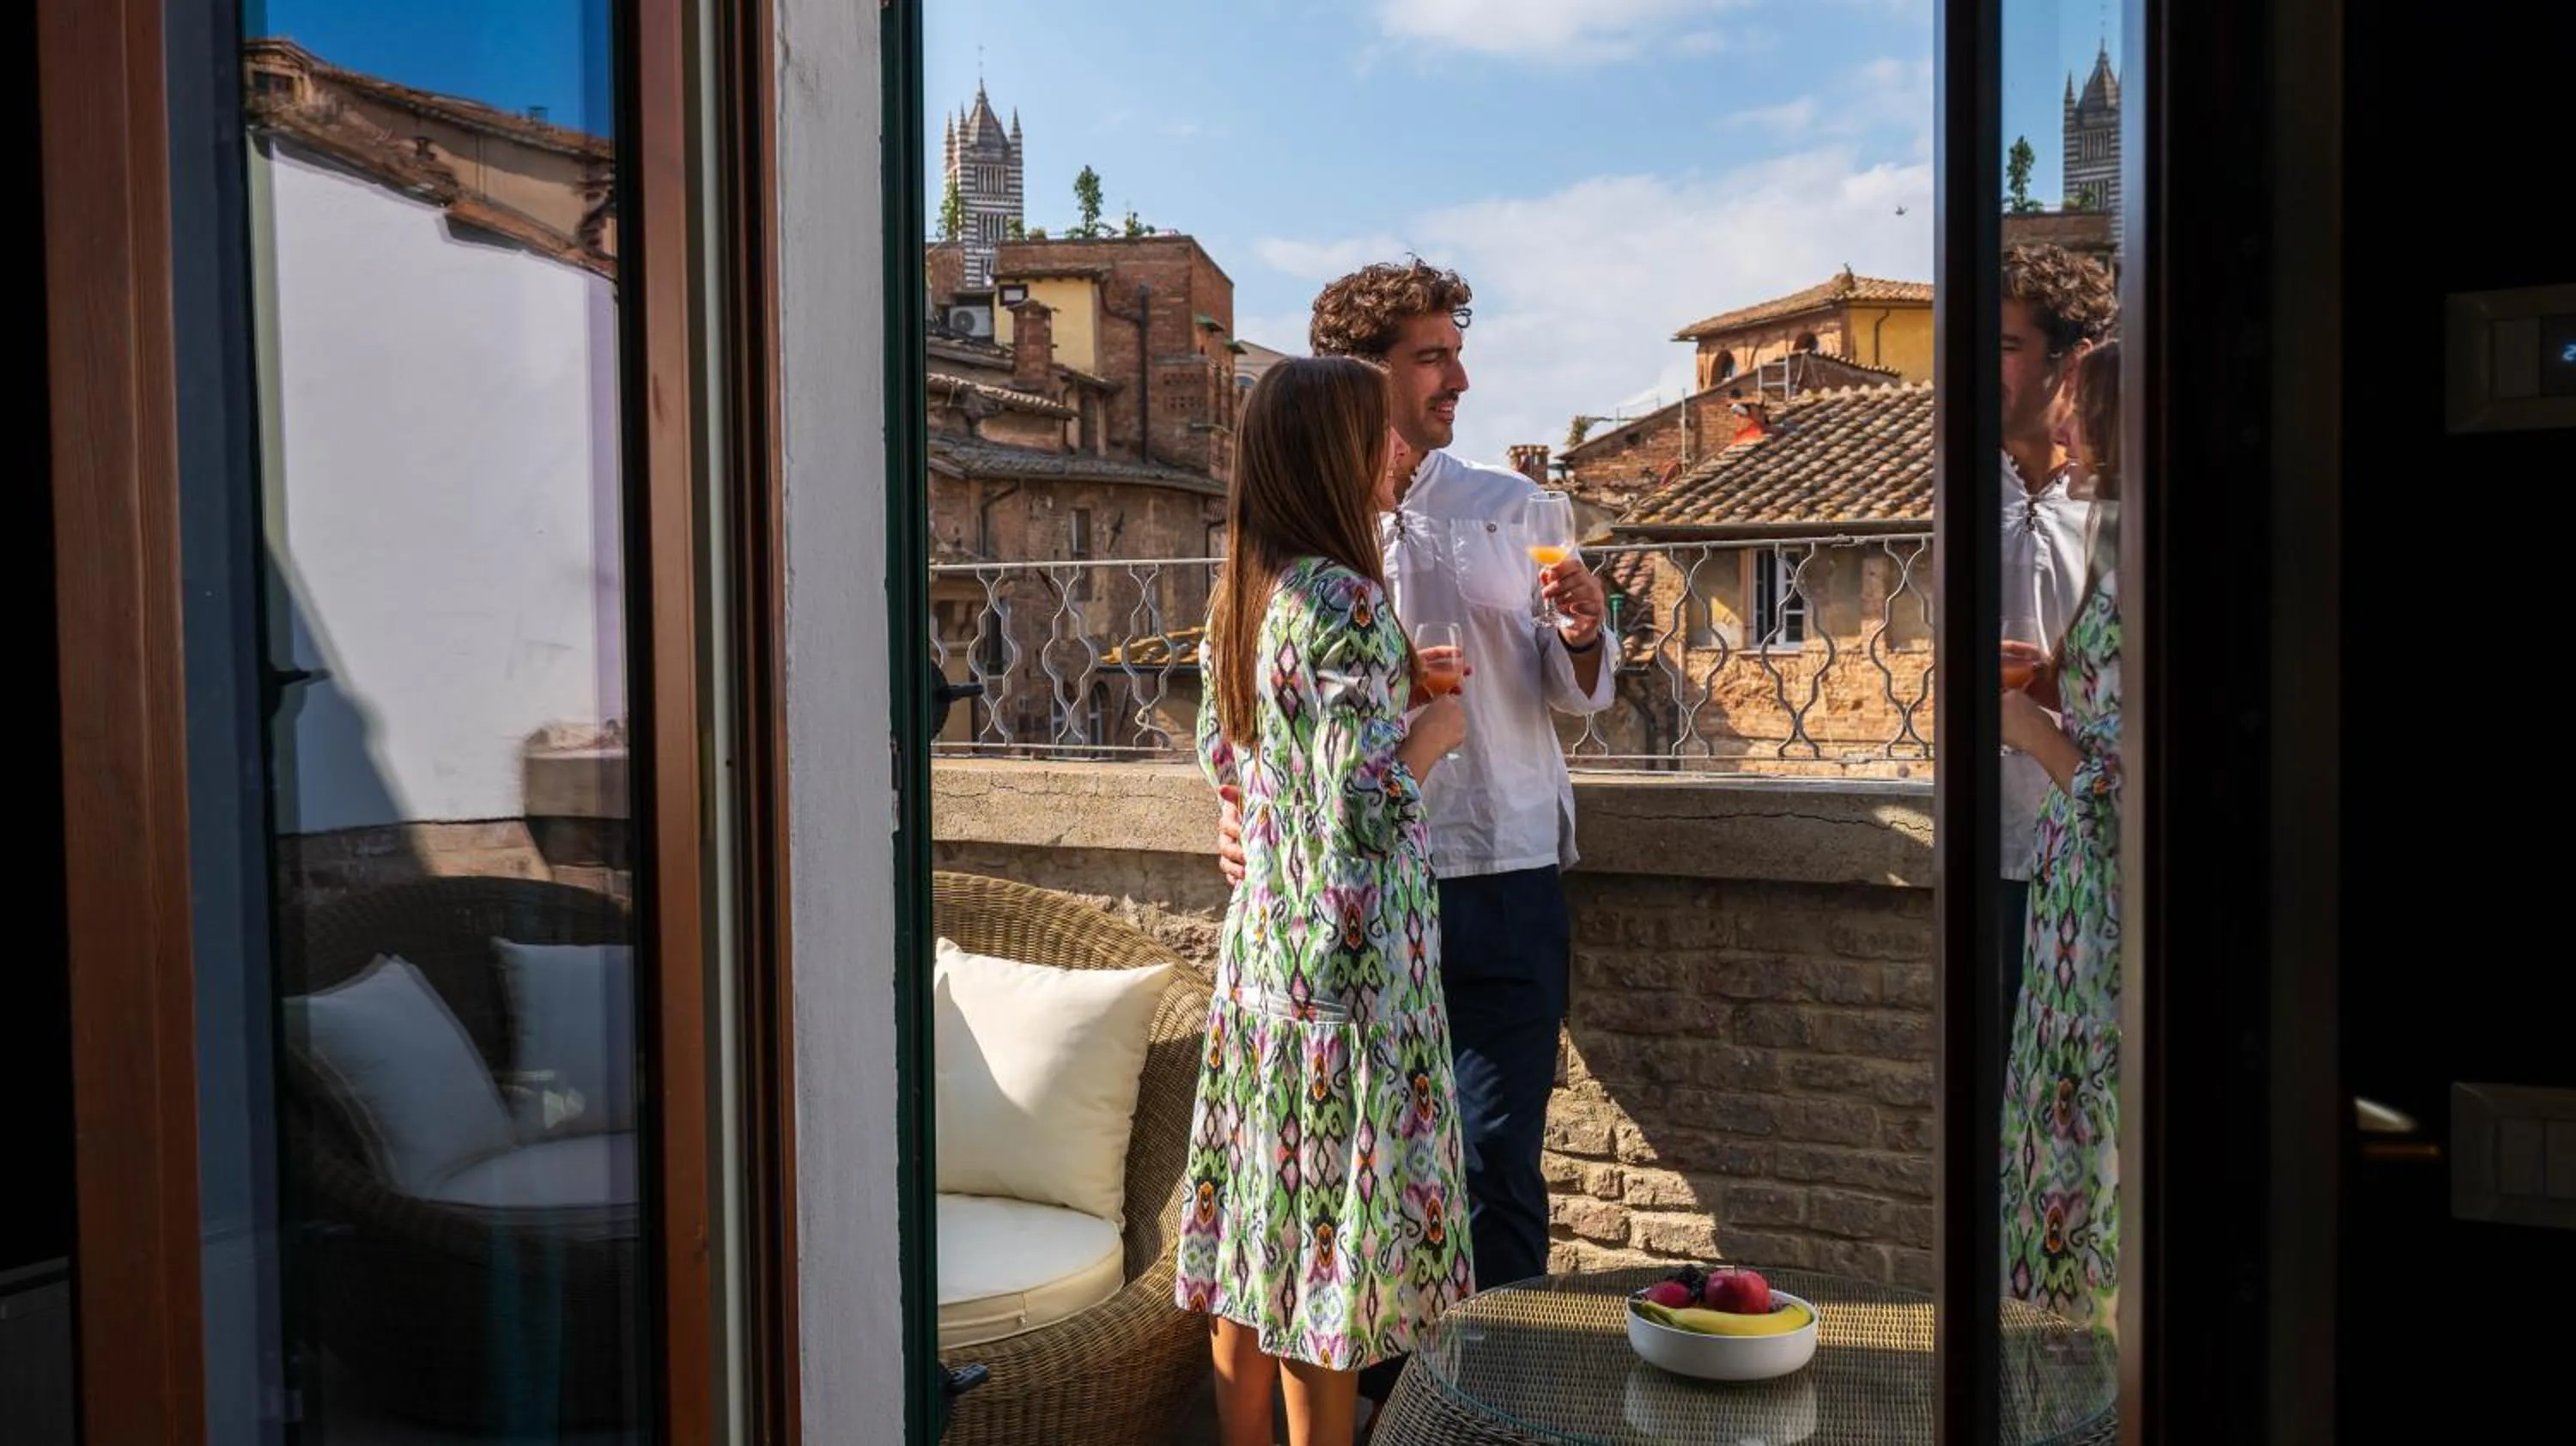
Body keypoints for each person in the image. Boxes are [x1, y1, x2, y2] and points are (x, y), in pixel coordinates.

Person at [1217, 259, 1613, 1414]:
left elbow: (1573, 691)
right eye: (1432, 357)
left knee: (1495, 1166)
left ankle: (1505, 1408)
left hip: (1510, 871)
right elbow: (1248, 702)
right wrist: (1232, 807)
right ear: (1364, 374)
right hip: (1371, 900)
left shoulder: (1517, 506)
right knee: (1376, 1176)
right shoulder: (1306, 536)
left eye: (1455, 351)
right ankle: (1395, 1409)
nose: (1460, 378)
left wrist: (1586, 635)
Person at [1178, 355, 1475, 1446]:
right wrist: (1433, 734)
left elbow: (1232, 761)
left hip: (1263, 965)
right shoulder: (1344, 599)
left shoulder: (1240, 597)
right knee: (1324, 1272)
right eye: (1377, 433)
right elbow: (1360, 801)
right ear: (1329, 455)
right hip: (1343, 983)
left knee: (1261, 1245)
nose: (1396, 450)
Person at [1999, 339, 2125, 1333]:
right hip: (2075, 898)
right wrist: (2049, 689)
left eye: (2080, 411)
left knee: (2086, 1140)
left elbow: (2130, 780)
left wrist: (2029, 727)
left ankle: (2086, 1380)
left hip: (2109, 913)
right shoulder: (2117, 539)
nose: (2063, 430)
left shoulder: (2132, 551)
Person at [1996, 243, 2119, 1044]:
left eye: (2006, 346)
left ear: (2072, 363)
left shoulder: (2117, 498)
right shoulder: (1942, 486)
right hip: (1990, 845)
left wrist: (2045, 700)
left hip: (2097, 849)